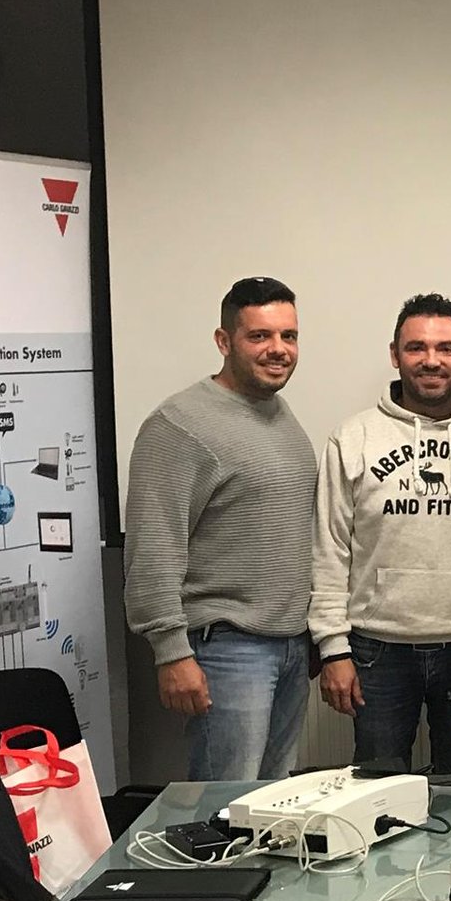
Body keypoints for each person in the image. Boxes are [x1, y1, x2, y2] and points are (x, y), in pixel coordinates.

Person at [124, 277, 317, 782]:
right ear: (224, 340)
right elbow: (153, 546)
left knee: (272, 806)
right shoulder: (179, 424)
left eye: (289, 336)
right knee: (225, 807)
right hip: (228, 649)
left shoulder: (277, 413)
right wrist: (171, 653)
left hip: (291, 645)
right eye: (260, 336)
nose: (278, 349)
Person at [311, 294, 451, 772]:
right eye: (416, 347)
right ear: (395, 355)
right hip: (377, 651)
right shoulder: (353, 438)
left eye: (445, 348)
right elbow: (329, 548)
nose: (431, 360)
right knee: (378, 790)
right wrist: (333, 649)